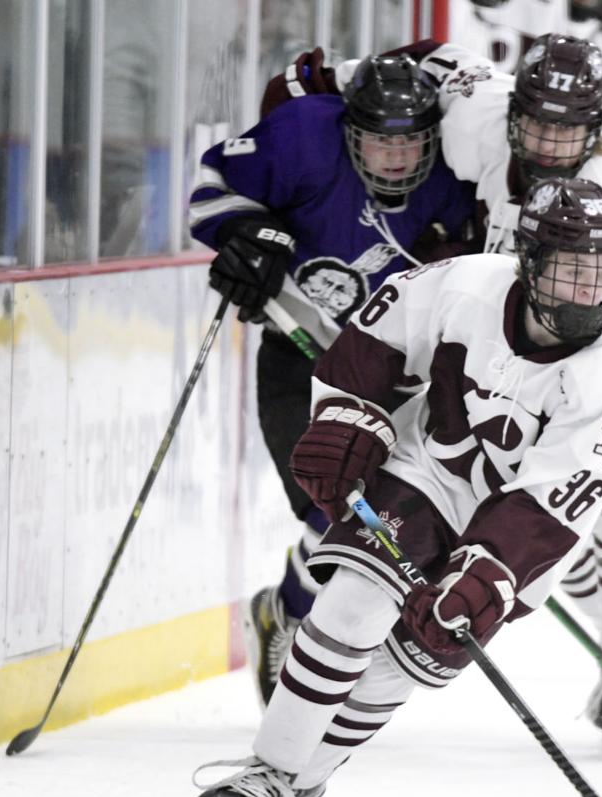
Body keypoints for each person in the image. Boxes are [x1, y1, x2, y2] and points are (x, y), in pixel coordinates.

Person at [191, 177, 602, 797]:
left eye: (598, 272)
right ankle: (269, 769)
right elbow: (369, 348)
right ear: (531, 262)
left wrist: (485, 574)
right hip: (427, 474)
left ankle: (301, 778)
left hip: (519, 538)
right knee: (350, 604)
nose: (587, 290)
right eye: (569, 270)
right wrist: (349, 415)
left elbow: (549, 507)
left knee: (406, 662)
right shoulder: (464, 286)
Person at [266, 34, 602, 751]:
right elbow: (425, 59)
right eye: (537, 124)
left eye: (569, 129)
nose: (551, 143)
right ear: (513, 108)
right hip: (508, 321)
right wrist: (309, 81)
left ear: (597, 127)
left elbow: (581, 349)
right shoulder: (479, 110)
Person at [190, 54, 478, 707]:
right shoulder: (303, 136)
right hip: (301, 354)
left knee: (369, 518)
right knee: (338, 506)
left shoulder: (457, 177)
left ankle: (285, 609)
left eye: (410, 141)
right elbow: (212, 190)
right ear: (352, 132)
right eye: (381, 140)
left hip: (400, 376)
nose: (397, 157)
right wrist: (244, 233)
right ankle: (292, 618)